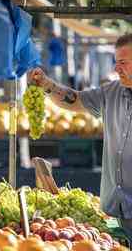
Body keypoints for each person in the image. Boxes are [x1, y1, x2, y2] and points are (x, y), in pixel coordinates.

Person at [28, 33, 132, 242]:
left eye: (122, 62)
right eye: (115, 62)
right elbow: (74, 100)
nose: (116, 68)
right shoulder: (110, 92)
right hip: (115, 210)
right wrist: (47, 85)